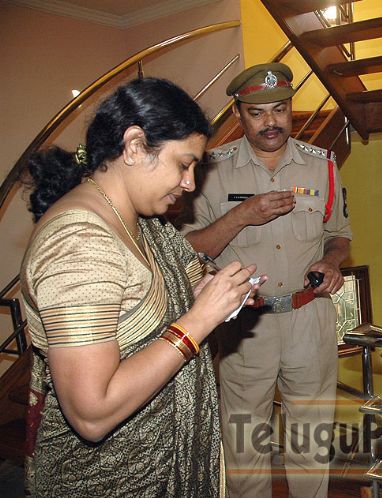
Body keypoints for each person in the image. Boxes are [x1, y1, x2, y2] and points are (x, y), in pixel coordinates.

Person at [20, 77, 261, 497]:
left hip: (162, 465)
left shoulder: (144, 223)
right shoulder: (78, 242)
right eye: (183, 164)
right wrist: (200, 320)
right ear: (134, 146)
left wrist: (216, 294)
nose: (190, 183)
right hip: (109, 480)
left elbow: (178, 285)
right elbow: (92, 413)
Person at [180, 62, 352, 497]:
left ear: (291, 108)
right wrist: (241, 215)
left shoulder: (322, 166)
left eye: (280, 109)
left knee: (311, 441)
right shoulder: (210, 171)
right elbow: (189, 249)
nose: (270, 122)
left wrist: (332, 261)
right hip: (244, 325)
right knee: (244, 445)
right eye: (257, 113)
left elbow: (339, 235)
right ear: (239, 115)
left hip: (308, 317)